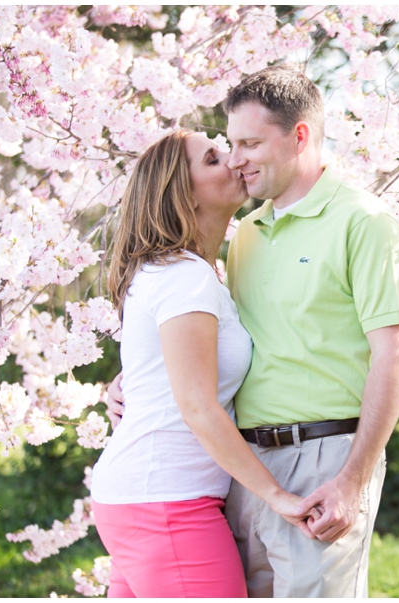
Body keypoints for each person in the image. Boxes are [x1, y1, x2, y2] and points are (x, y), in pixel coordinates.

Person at [109, 66, 399, 597]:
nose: (236, 159)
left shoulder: (364, 222)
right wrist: (136, 381)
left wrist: (352, 479)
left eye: (249, 143)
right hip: (241, 470)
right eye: (229, 145)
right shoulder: (246, 233)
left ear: (298, 136)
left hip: (325, 455)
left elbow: (395, 356)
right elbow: (213, 338)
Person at [92, 129, 318, 598]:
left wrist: (124, 384)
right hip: (167, 504)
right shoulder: (183, 277)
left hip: (146, 498)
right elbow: (197, 406)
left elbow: (159, 367)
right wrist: (276, 495)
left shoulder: (188, 273)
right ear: (183, 194)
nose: (235, 161)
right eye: (214, 159)